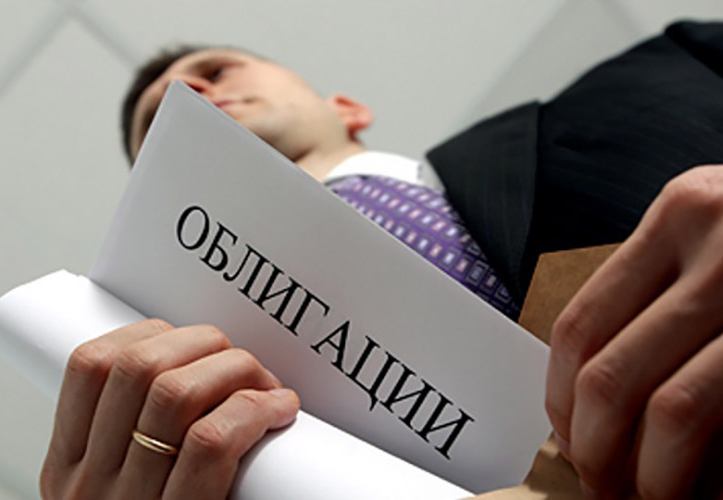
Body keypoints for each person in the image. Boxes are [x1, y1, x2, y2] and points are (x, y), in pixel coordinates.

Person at [40, 21, 723, 499]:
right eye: (161, 120)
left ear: (347, 108)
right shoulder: (208, 417)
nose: (188, 93)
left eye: (214, 72)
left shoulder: (665, 72)